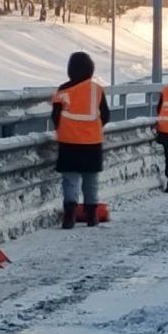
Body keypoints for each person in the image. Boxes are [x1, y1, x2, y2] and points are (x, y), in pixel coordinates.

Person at [51, 51, 110, 229]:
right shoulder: (96, 90)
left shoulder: (62, 90)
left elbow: (55, 116)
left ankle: (69, 216)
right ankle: (92, 216)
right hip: (92, 142)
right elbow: (106, 115)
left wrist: (64, 129)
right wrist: (93, 128)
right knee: (91, 180)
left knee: (70, 179)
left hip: (68, 142)